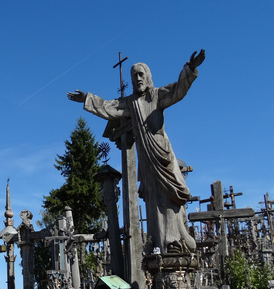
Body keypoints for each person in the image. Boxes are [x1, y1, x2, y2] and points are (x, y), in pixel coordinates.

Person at [68, 50, 205, 254]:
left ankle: (176, 239)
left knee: (169, 197)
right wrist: (87, 98)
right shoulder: (131, 103)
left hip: (163, 157)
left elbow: (178, 91)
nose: (138, 78)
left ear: (148, 77)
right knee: (153, 199)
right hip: (146, 159)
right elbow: (109, 108)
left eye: (141, 74)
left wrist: (190, 69)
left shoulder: (157, 96)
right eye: (134, 76)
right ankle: (159, 241)